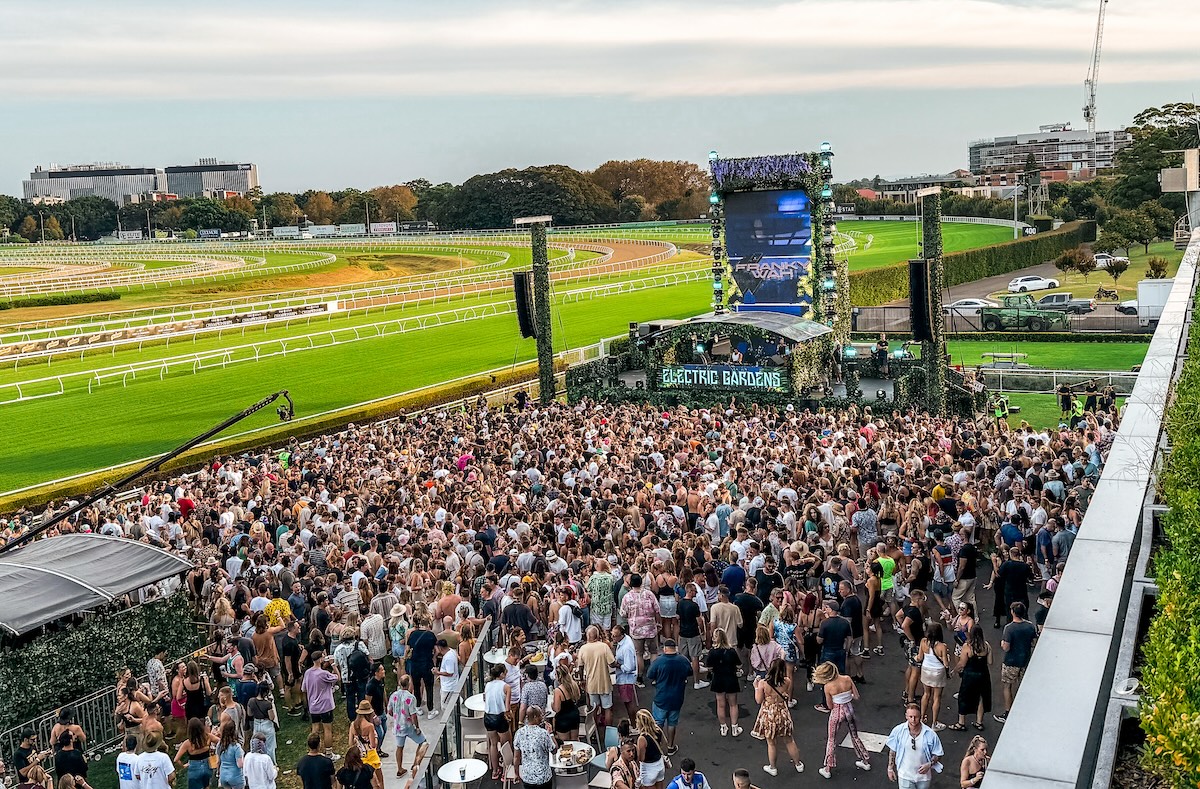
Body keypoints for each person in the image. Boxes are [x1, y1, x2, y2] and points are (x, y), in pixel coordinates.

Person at [811, 662, 870, 779]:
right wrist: (847, 697)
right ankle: (865, 761)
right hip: (849, 709)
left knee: (831, 739)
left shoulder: (828, 686)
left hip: (837, 711)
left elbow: (829, 706)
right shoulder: (847, 679)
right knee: (855, 735)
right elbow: (857, 696)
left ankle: (827, 768)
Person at [645, 639, 692, 754]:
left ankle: (658, 747)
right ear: (675, 648)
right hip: (677, 698)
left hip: (661, 697)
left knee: (658, 723)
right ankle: (670, 746)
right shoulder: (683, 660)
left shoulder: (658, 661)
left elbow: (650, 675)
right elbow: (690, 672)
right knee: (672, 723)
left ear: (665, 649)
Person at [996, 602, 1037, 723]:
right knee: (1022, 686)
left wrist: (1002, 644)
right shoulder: (1030, 626)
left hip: (1011, 661)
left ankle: (1008, 712)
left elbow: (1006, 647)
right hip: (1025, 661)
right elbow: (1034, 643)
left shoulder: (1009, 628)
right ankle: (1024, 710)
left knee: (1007, 686)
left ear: (1013, 612)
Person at [886, 704, 944, 789]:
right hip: (905, 775)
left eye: (916, 717)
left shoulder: (930, 734)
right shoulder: (898, 731)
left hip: (923, 777)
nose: (913, 720)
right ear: (906, 716)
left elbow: (938, 754)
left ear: (920, 716)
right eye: (910, 716)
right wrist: (890, 769)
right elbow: (892, 750)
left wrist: (929, 764)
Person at [950, 625, 992, 731]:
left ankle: (961, 722)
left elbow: (962, 663)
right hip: (983, 675)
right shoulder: (986, 646)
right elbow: (990, 662)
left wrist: (954, 671)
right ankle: (979, 722)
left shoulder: (967, 646)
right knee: (981, 697)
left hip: (970, 675)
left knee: (964, 697)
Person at [704, 628, 742, 737]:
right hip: (731, 678)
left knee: (720, 705)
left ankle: (723, 727)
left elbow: (709, 667)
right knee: (733, 704)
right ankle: (735, 728)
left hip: (718, 679)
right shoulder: (731, 651)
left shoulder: (712, 652)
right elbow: (739, 665)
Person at [387, 673, 427, 779]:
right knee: (423, 742)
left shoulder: (393, 695)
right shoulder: (410, 697)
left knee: (399, 747)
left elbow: (390, 711)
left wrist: (396, 716)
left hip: (398, 726)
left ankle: (399, 769)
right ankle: (415, 764)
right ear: (409, 684)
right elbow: (413, 715)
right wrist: (417, 727)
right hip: (408, 726)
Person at [579, 625, 617, 732]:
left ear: (587, 636)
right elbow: (612, 663)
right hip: (604, 682)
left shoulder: (583, 649)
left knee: (594, 709)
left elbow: (580, 667)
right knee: (607, 708)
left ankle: (594, 731)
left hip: (591, 683)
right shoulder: (604, 647)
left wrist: (582, 679)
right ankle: (609, 731)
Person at [302, 652, 340, 755]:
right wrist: (333, 665)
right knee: (327, 729)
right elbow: (337, 677)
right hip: (325, 706)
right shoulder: (324, 673)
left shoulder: (307, 673)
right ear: (319, 660)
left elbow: (304, 688)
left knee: (315, 728)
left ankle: (313, 750)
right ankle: (329, 753)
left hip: (313, 706)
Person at [916, 623, 952, 731]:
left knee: (926, 694)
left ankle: (922, 718)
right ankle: (934, 723)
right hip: (938, 672)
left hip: (926, 670)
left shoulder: (923, 642)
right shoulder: (942, 646)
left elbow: (919, 657)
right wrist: (948, 657)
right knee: (937, 697)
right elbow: (946, 663)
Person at [512, 707, 556, 789]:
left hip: (527, 777)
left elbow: (516, 757)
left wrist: (516, 773)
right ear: (535, 717)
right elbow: (554, 750)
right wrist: (551, 733)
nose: (542, 718)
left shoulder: (519, 733)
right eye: (541, 715)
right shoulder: (543, 733)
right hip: (543, 777)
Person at [174, 721, 217, 789]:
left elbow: (176, 759)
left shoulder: (187, 743)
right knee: (207, 785)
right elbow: (220, 741)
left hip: (194, 768)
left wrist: (183, 766)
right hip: (207, 766)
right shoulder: (208, 737)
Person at [349, 700, 381, 789]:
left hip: (359, 757)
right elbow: (373, 745)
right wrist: (376, 738)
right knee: (379, 781)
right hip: (371, 756)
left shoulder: (353, 725)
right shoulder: (369, 726)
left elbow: (350, 744)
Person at [612, 624, 640, 722]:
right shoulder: (625, 639)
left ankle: (634, 724)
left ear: (621, 635)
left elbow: (629, 667)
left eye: (615, 636)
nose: (613, 638)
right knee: (628, 701)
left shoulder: (626, 648)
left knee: (628, 702)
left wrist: (617, 665)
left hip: (626, 679)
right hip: (624, 678)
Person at [634, 709, 667, 789]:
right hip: (660, 764)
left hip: (649, 768)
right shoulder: (657, 729)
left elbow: (641, 758)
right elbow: (665, 744)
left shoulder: (642, 738)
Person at [551, 670, 583, 742]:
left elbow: (557, 709)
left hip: (563, 719)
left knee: (565, 743)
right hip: (574, 715)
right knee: (574, 740)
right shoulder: (574, 684)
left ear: (558, 676)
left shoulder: (558, 690)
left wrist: (552, 705)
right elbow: (578, 697)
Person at [215, 720, 246, 789]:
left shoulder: (220, 744)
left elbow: (218, 761)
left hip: (223, 776)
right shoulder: (236, 747)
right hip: (235, 777)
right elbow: (240, 764)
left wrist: (218, 773)